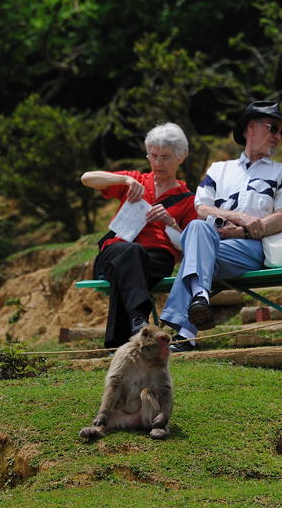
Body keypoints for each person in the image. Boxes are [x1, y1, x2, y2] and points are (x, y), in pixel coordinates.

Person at [159, 101, 282, 352]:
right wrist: (240, 217)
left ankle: (189, 318)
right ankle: (196, 310)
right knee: (197, 228)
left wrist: (244, 230)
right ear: (250, 128)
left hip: (251, 248)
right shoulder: (219, 169)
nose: (279, 137)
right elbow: (202, 208)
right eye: (274, 128)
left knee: (197, 252)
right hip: (211, 243)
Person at [81, 123, 197, 350]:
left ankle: (123, 340)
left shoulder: (188, 199)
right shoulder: (136, 180)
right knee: (130, 253)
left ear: (181, 157)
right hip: (118, 249)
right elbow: (87, 178)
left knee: (130, 267)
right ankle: (138, 321)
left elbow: (189, 246)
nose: (158, 163)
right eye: (153, 156)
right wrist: (122, 180)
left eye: (165, 157)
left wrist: (170, 222)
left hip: (157, 258)